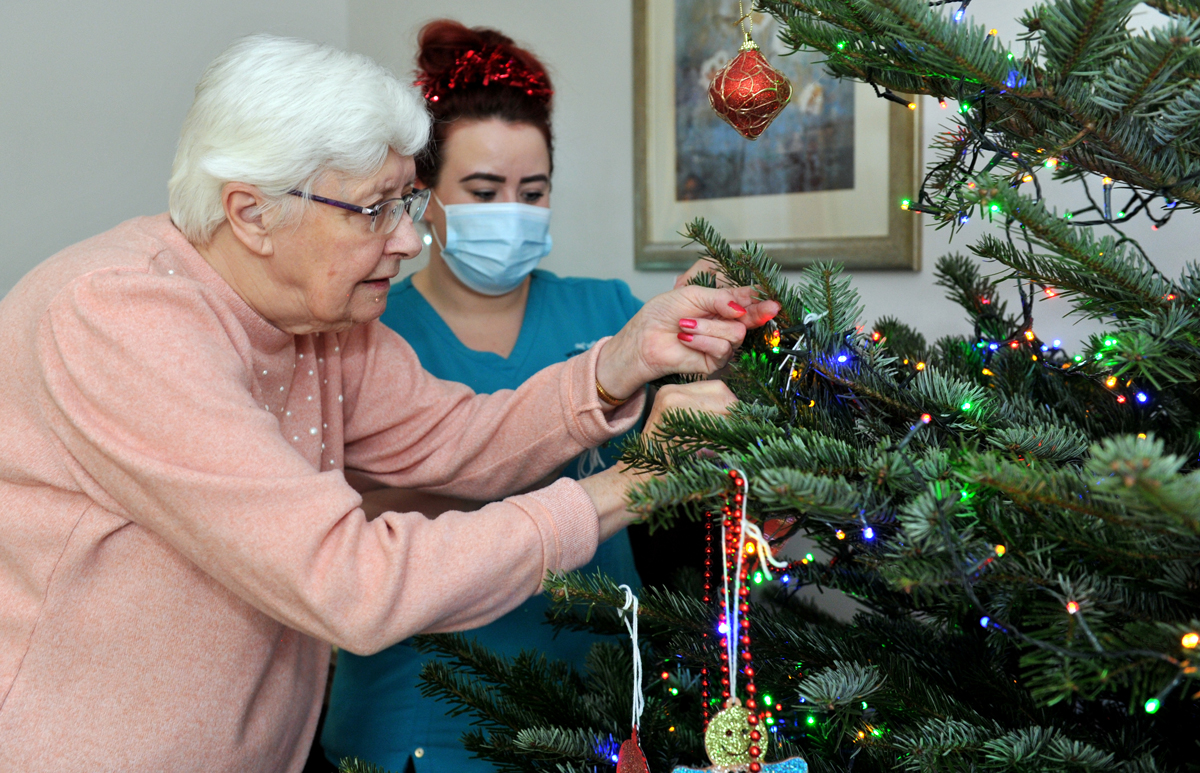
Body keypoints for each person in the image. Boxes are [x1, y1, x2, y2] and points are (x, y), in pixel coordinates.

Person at [0, 34, 778, 773]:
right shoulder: (116, 318)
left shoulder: (322, 320)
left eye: (406, 203)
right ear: (251, 213)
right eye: (377, 209)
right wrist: (627, 486)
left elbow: (461, 437)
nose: (409, 240)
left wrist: (620, 361)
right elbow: (352, 579)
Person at [319, 21, 646, 772]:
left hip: (603, 704)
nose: (513, 211)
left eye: (533, 193)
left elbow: (685, 460)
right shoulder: (364, 335)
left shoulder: (611, 317)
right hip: (420, 718)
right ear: (422, 196)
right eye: (484, 190)